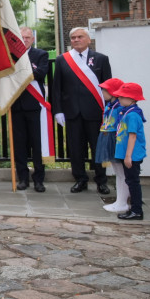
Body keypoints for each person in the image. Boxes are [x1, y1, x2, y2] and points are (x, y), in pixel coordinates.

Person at [52, 26, 112, 194]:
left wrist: (108, 111)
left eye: (80, 37)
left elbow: (108, 88)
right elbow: (57, 89)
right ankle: (80, 179)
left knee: (97, 148)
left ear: (88, 39)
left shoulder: (101, 59)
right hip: (72, 112)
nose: (76, 40)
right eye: (73, 38)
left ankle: (101, 181)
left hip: (95, 112)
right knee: (76, 149)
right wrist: (58, 111)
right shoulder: (62, 60)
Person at [10, 27, 49, 192]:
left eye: (27, 37)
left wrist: (24, 70)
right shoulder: (11, 56)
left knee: (37, 144)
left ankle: (39, 179)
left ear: (32, 39)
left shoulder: (40, 55)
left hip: (34, 106)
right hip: (17, 106)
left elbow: (41, 73)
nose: (24, 40)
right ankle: (23, 178)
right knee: (20, 145)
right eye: (22, 37)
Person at [112, 82, 146, 221]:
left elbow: (132, 136)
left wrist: (128, 156)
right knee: (130, 181)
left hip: (131, 155)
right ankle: (134, 209)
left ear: (132, 99)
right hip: (127, 154)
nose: (119, 98)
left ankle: (137, 210)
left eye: (123, 96)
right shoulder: (126, 112)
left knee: (132, 182)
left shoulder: (132, 115)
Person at [96, 78, 128, 214]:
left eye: (105, 90)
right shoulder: (110, 105)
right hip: (108, 137)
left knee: (122, 173)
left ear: (113, 92)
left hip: (115, 139)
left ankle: (123, 202)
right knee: (118, 172)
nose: (102, 92)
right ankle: (119, 201)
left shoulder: (120, 108)